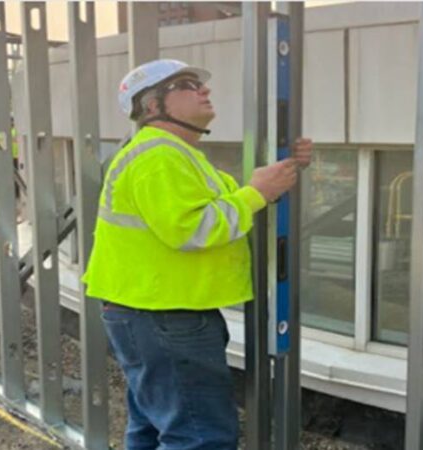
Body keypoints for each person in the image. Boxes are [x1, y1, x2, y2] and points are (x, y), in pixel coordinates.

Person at [82, 59, 312, 450]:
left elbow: (230, 208)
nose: (203, 90)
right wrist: (258, 191)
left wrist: (279, 173)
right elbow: (194, 229)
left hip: (155, 312)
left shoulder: (176, 155)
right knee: (200, 437)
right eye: (186, 85)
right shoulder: (159, 158)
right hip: (164, 316)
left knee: (155, 427)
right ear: (152, 106)